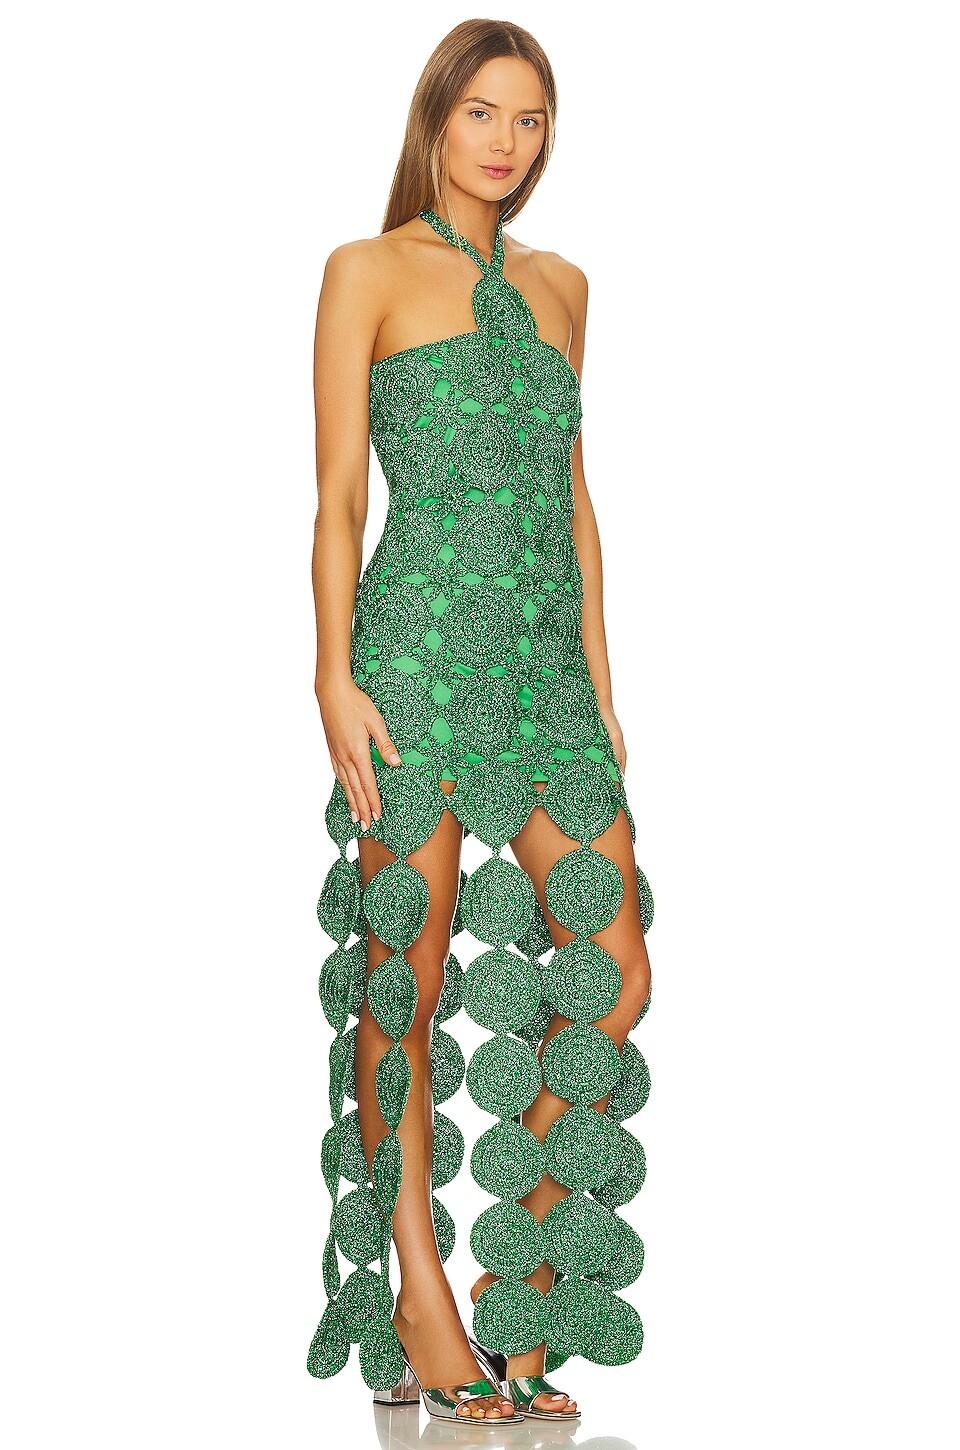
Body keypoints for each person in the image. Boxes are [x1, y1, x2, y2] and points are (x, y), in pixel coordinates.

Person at [307, 17, 655, 1426]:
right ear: (435, 120)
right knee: (402, 976)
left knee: (614, 968)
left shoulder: (566, 288)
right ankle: (419, 1293)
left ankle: (522, 1292)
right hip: (415, 660)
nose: (507, 142)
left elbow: (573, 497)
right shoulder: (366, 270)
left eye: (531, 118)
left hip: (545, 674)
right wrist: (332, 673)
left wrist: (602, 687)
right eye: (483, 114)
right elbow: (339, 494)